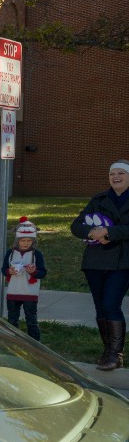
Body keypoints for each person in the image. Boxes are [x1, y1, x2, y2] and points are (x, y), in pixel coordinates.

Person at [71, 159, 129, 370]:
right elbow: (76, 226)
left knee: (111, 305)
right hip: (95, 261)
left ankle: (116, 354)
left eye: (121, 173)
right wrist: (93, 232)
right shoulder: (99, 199)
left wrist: (109, 232)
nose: (116, 177)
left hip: (123, 261)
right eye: (112, 173)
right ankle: (108, 351)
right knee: (100, 307)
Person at [2, 216, 47, 341]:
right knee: (12, 320)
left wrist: (34, 272)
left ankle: (35, 343)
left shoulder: (37, 254)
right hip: (13, 292)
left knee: (31, 320)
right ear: (18, 241)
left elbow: (43, 273)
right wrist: (9, 271)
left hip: (30, 293)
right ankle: (13, 341)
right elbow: (3, 269)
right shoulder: (10, 253)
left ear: (33, 241)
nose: (26, 243)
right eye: (23, 240)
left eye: (29, 240)